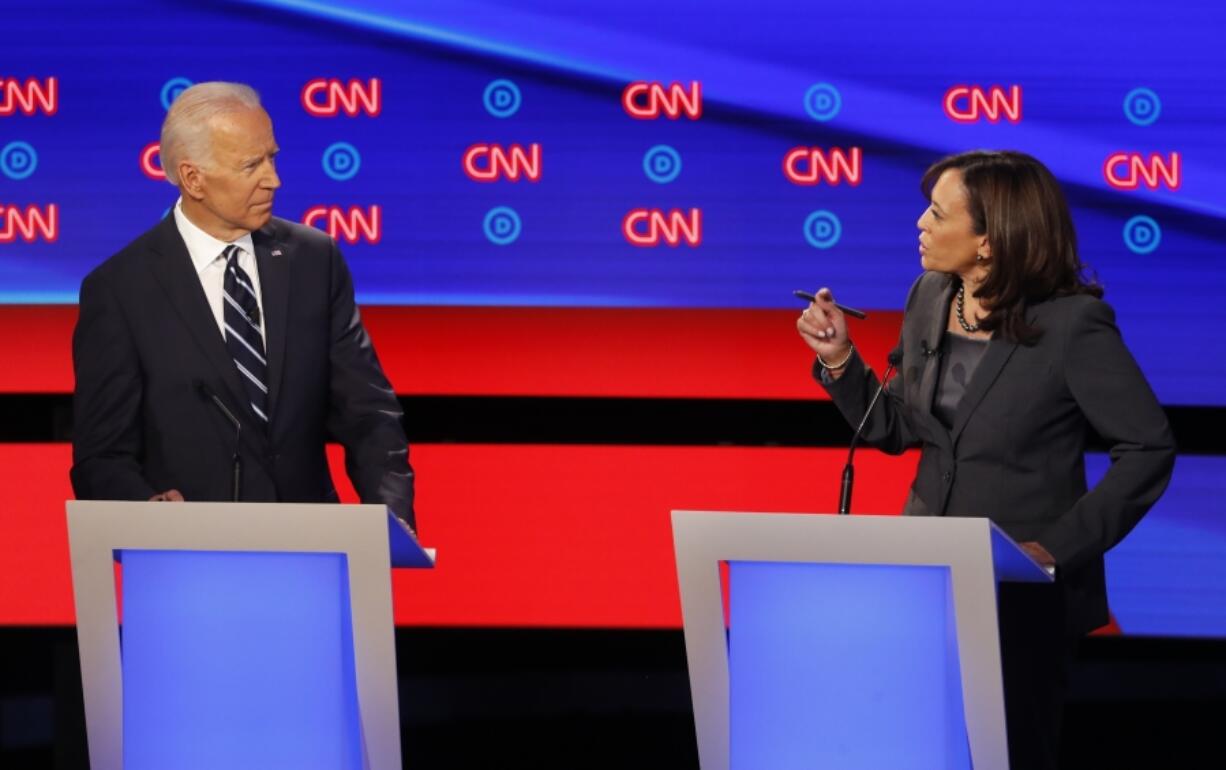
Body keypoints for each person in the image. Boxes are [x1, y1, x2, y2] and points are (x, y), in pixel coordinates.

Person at [796, 150, 1175, 769]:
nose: (920, 222)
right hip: (923, 576)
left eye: (937, 213)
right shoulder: (930, 295)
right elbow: (897, 427)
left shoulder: (1074, 326)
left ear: (990, 242)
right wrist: (840, 360)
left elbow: (1149, 450)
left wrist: (1053, 548)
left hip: (1018, 596)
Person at [71, 82, 414, 527]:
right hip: (186, 561)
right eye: (252, 164)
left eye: (272, 157)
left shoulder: (314, 261)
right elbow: (102, 455)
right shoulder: (120, 289)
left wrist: (390, 521)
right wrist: (147, 512)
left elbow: (367, 412)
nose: (274, 179)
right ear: (193, 178)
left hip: (310, 550)